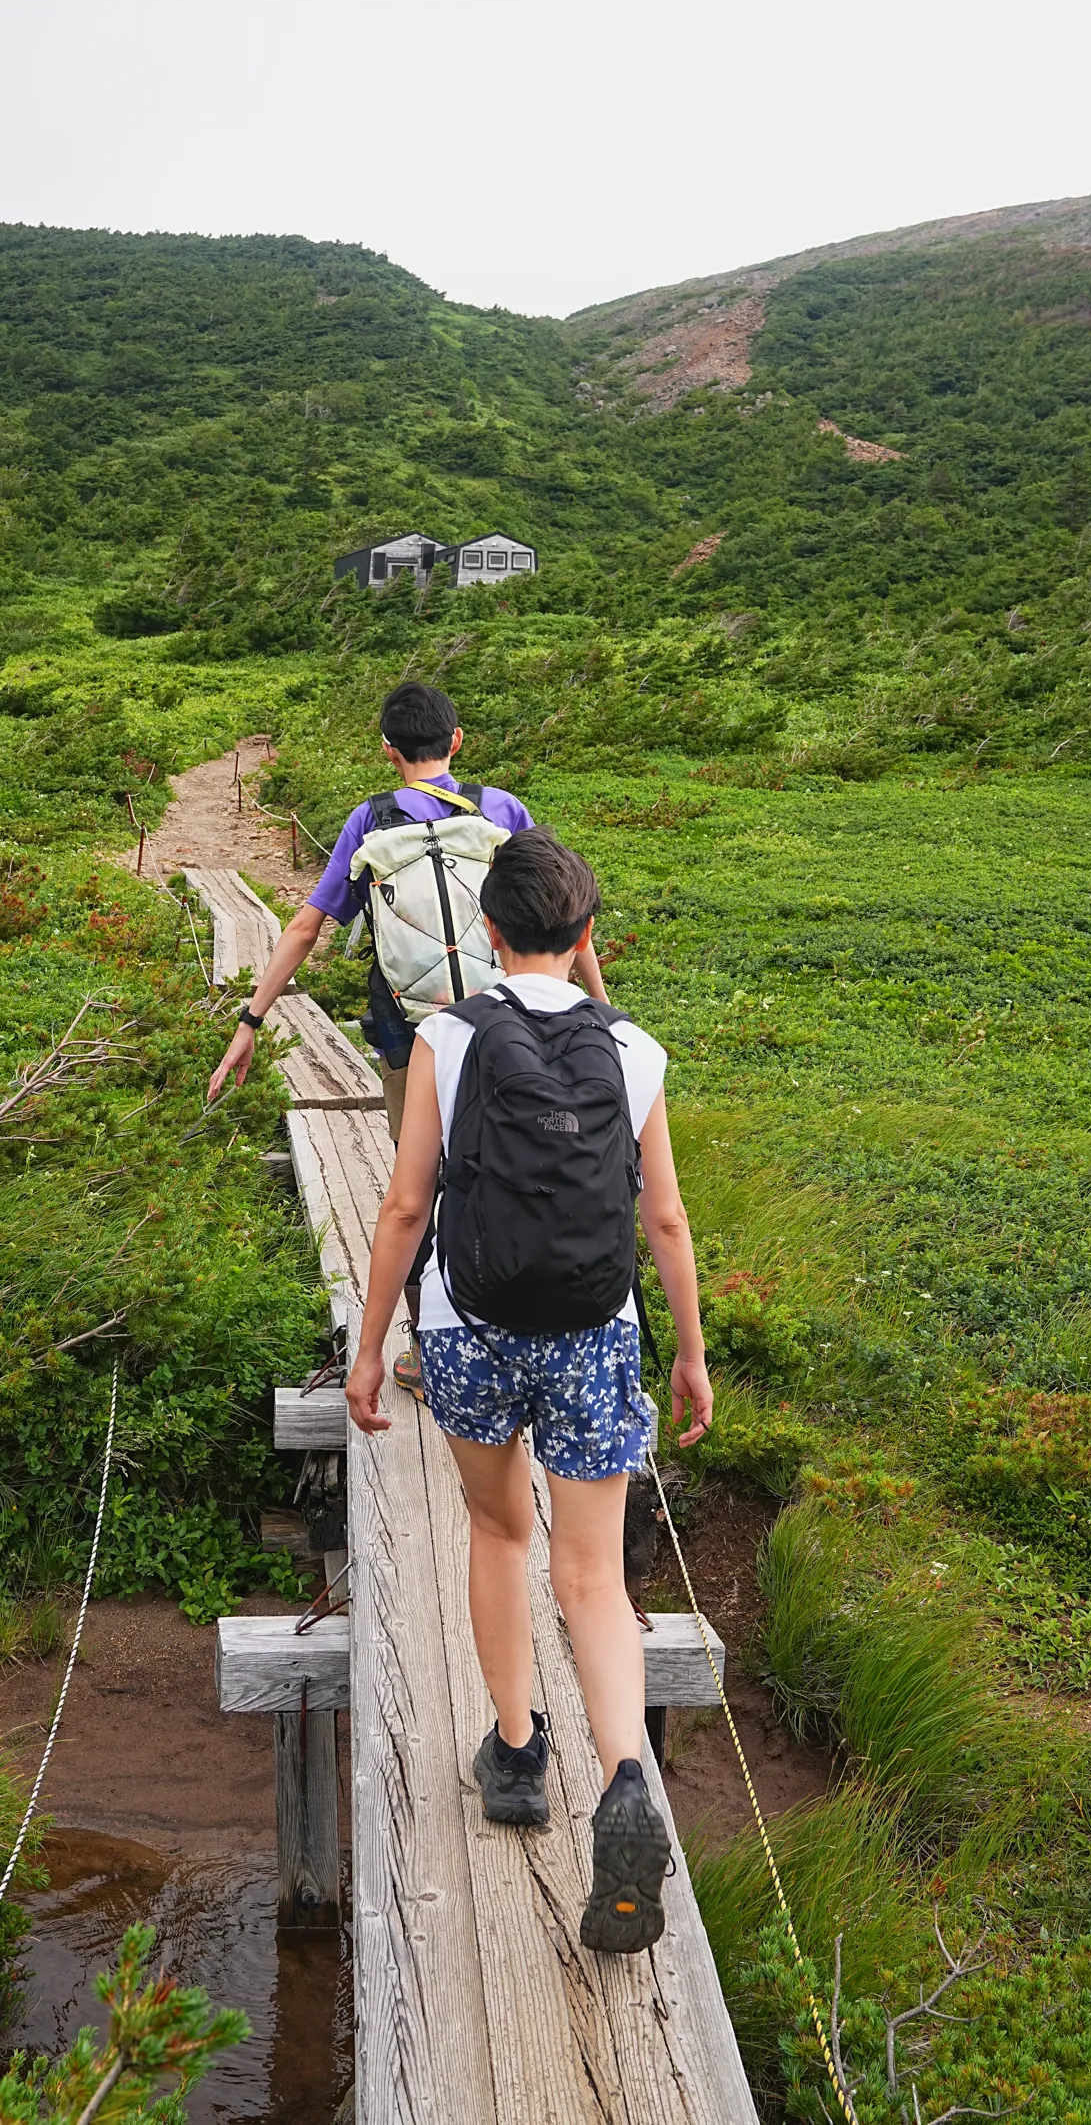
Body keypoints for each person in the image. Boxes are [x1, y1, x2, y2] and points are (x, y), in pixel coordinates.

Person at [343, 828, 712, 1955]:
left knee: (500, 1534)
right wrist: (690, 1352)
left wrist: (368, 1349)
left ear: (488, 936)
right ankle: (625, 1776)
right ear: (587, 936)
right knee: (593, 1578)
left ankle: (514, 1755)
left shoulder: (446, 1039)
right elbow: (663, 1218)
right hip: (598, 1333)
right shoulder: (635, 1049)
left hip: (469, 1329)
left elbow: (407, 1209)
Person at [205, 681, 607, 1394]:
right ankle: (522, 1324)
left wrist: (250, 1022)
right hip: (514, 1025)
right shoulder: (504, 809)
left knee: (419, 1183)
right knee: (515, 1163)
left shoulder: (369, 821)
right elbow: (560, 916)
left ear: (387, 749)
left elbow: (305, 926)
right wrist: (602, 1013)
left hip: (413, 1035)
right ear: (456, 741)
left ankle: (427, 1353)